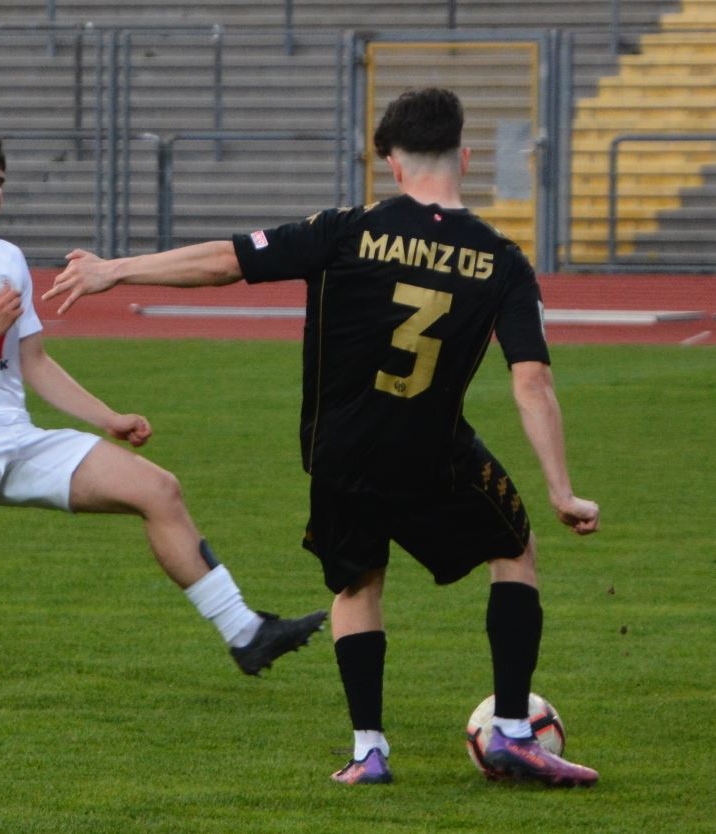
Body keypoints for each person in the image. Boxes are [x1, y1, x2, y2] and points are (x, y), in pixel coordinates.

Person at [43, 88, 601, 787]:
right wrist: (559, 488)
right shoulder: (501, 261)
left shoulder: (344, 230)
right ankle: (514, 732)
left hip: (338, 455)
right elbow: (531, 380)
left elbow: (227, 259)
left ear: (391, 163)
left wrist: (114, 269)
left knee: (357, 586)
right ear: (463, 156)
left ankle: (369, 751)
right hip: (431, 453)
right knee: (513, 550)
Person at [0, 134, 326, 710]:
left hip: (17, 437)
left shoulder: (7, 261)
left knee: (159, 489)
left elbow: (33, 361)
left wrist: (107, 416)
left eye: (1, 182)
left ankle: (247, 634)